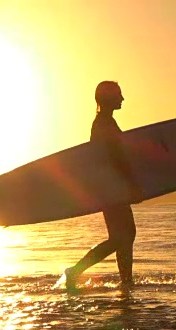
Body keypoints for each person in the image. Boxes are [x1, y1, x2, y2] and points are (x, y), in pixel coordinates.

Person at [64, 80, 143, 290]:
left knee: (126, 235)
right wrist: (133, 184)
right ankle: (76, 271)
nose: (122, 99)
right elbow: (116, 158)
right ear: (109, 98)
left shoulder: (104, 121)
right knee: (121, 237)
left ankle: (126, 282)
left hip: (110, 187)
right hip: (110, 188)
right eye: (119, 95)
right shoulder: (103, 124)